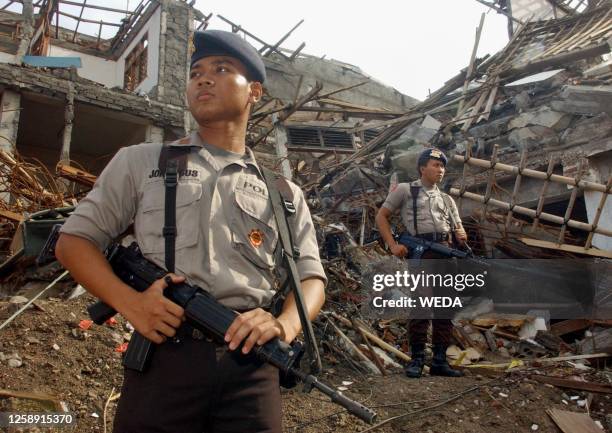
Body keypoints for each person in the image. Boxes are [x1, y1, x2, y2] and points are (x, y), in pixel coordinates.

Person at [55, 30, 326, 433]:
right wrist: (131, 304)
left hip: (252, 365)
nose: (203, 78)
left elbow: (311, 278)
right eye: (196, 71)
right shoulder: (142, 161)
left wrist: (283, 326)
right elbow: (74, 242)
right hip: (165, 356)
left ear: (254, 91)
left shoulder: (282, 191)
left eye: (221, 69)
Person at [375, 148, 466, 379]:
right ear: (422, 168)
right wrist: (393, 245)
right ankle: (416, 360)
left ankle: (439, 361)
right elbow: (381, 216)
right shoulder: (406, 189)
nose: (440, 170)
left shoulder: (447, 199)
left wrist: (460, 234)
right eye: (435, 165)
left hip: (446, 253)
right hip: (422, 253)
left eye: (442, 166)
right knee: (422, 306)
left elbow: (458, 227)